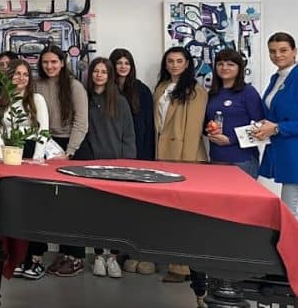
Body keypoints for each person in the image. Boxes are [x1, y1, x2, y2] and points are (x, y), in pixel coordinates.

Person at [254, 32, 298, 247]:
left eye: (283, 50)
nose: (277, 55)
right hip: (285, 154)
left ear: (294, 51)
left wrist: (277, 127)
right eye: (272, 51)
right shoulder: (276, 79)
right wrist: (268, 124)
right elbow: (278, 114)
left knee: (292, 215)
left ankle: (296, 264)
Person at [0, 59, 60, 281]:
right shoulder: (0, 102)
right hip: (9, 155)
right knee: (14, 209)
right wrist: (1, 159)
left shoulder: (37, 100)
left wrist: (37, 160)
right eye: (17, 74)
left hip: (32, 155)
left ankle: (35, 258)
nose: (21, 78)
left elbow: (43, 131)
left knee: (34, 210)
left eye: (25, 74)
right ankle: (17, 258)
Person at [154, 46, 207, 283]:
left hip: (185, 158)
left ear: (187, 63)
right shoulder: (162, 87)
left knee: (184, 213)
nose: (174, 65)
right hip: (163, 154)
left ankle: (182, 267)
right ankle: (173, 260)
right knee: (168, 213)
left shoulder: (195, 91)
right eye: (170, 61)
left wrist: (185, 165)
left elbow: (194, 130)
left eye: (179, 61)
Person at [35, 45, 89, 277]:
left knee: (72, 206)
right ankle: (48, 253)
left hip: (71, 148)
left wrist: (69, 152)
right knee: (46, 204)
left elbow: (81, 122)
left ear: (62, 62)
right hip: (45, 145)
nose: (50, 66)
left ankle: (74, 256)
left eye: (54, 62)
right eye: (45, 62)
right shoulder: (36, 85)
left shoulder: (75, 86)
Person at [80, 57, 136, 278]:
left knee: (115, 214)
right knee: (95, 213)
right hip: (91, 164)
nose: (99, 75)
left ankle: (112, 257)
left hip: (116, 165)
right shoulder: (84, 99)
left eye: (104, 71)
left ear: (110, 75)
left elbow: (128, 136)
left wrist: (127, 164)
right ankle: (98, 256)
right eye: (96, 71)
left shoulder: (120, 101)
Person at [109, 48, 157, 276]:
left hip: (138, 156)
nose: (122, 67)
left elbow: (148, 128)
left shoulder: (142, 90)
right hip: (111, 159)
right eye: (118, 63)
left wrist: (146, 160)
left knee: (141, 208)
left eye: (126, 63)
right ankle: (121, 253)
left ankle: (143, 253)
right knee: (118, 210)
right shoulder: (105, 89)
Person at [205, 49, 265, 178]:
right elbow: (205, 124)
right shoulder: (212, 94)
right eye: (220, 64)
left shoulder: (248, 92)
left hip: (242, 160)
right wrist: (209, 130)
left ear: (239, 68)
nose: (224, 68)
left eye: (230, 64)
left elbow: (261, 127)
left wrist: (231, 140)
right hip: (216, 158)